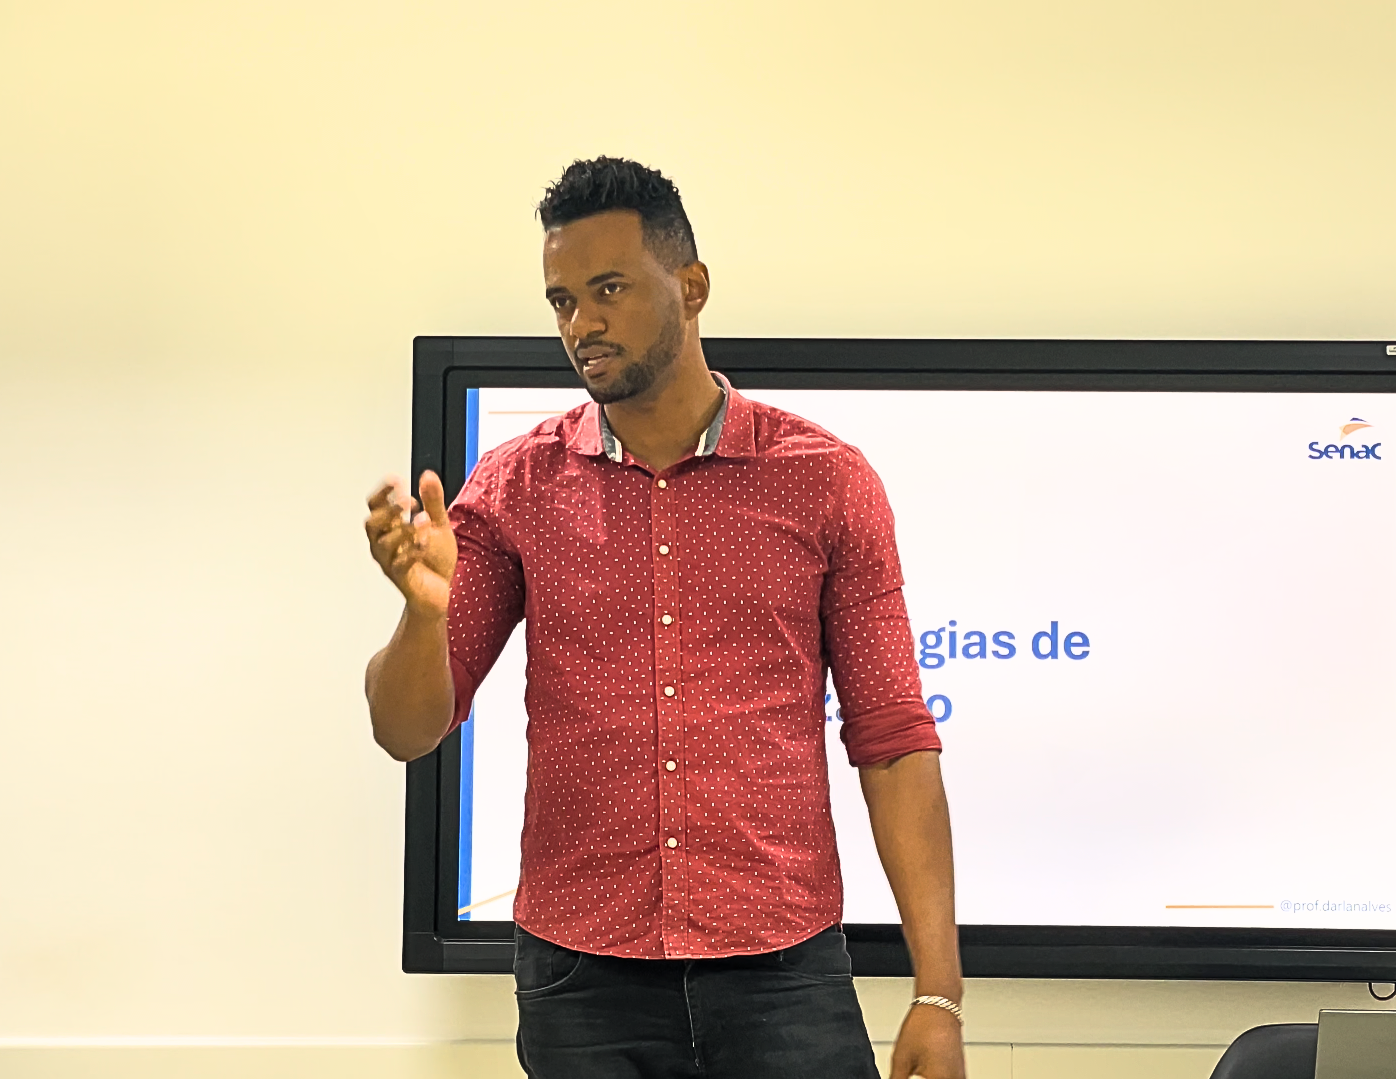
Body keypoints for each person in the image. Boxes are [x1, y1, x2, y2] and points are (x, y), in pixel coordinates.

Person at [362, 157, 964, 1079]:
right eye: (561, 301)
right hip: (580, 977)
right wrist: (420, 614)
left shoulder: (825, 481)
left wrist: (938, 991)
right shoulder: (513, 487)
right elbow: (405, 730)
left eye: (608, 289)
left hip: (782, 970)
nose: (582, 324)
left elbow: (892, 740)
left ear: (691, 286)